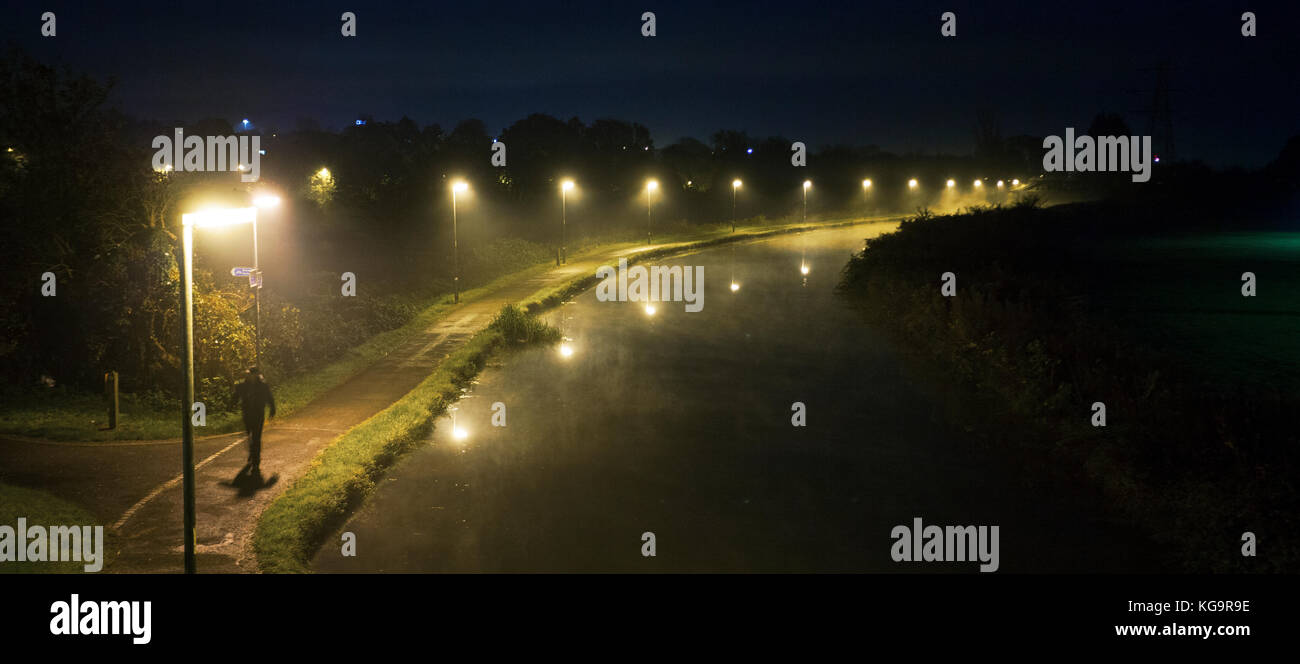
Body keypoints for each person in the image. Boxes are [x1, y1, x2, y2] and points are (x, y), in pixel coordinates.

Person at [234, 366, 276, 474]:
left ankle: (256, 461)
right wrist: (232, 402)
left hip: (258, 414)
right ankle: (252, 453)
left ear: (256, 374)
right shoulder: (242, 385)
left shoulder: (263, 386)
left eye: (254, 374)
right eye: (250, 374)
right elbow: (236, 396)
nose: (252, 376)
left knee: (256, 437)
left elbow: (269, 397)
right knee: (250, 436)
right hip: (247, 415)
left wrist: (272, 409)